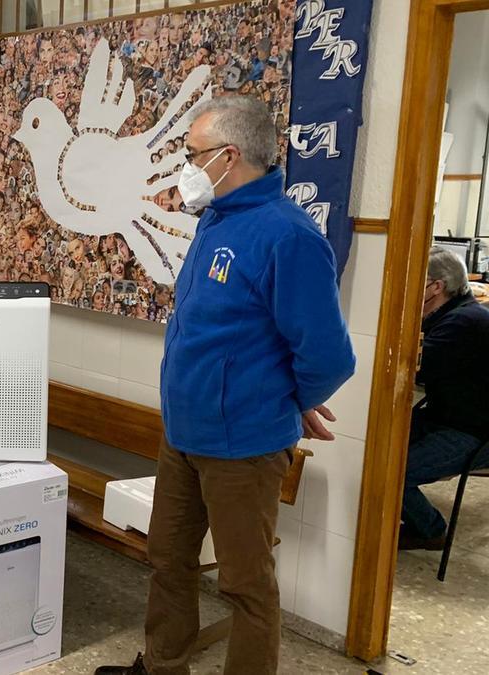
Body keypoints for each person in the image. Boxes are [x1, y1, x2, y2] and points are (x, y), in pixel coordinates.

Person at [96, 97, 356, 675]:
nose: (184, 165)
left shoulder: (288, 237)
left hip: (243, 446)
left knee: (244, 584)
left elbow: (330, 356)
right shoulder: (216, 216)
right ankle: (164, 666)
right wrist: (292, 392)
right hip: (184, 433)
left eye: (191, 153)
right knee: (167, 561)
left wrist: (292, 398)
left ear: (229, 156)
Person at [399, 247, 489, 550]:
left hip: (472, 432)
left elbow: (411, 366)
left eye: (415, 282)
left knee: (393, 473)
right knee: (379, 449)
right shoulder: (457, 314)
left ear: (436, 287)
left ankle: (431, 531)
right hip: (447, 417)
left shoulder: (463, 322)